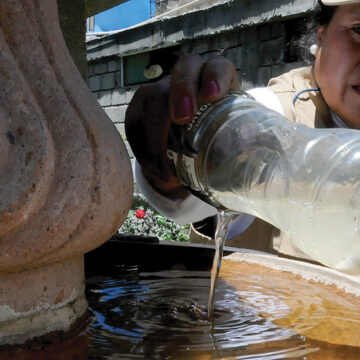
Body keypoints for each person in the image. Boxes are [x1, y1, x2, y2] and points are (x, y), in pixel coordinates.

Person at [125, 0, 360, 264]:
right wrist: (177, 151)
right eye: (358, 29)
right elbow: (187, 199)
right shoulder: (279, 113)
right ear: (321, 36)